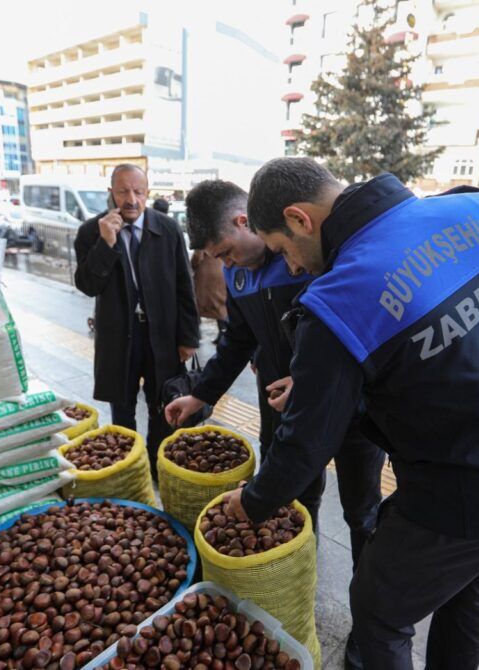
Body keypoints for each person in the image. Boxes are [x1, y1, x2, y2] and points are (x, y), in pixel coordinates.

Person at [221, 158, 479, 670]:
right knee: (472, 598)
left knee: (379, 613)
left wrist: (253, 501)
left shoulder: (337, 299)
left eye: (284, 250)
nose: (294, 268)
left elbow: (306, 443)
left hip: (460, 497)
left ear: (299, 218)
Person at [164, 180, 385, 567]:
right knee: (295, 495)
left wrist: (308, 381)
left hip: (350, 403)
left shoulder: (310, 253)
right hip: (278, 403)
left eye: (227, 252)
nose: (227, 264)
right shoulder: (237, 274)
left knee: (361, 508)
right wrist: (201, 394)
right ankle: (299, 568)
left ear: (243, 221)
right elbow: (238, 339)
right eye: (218, 258)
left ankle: (367, 591)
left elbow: (363, 327)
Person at [74, 164, 199, 477]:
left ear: (148, 193)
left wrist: (188, 337)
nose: (131, 199)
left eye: (138, 192)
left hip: (162, 335)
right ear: (111, 193)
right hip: (119, 337)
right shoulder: (91, 232)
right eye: (123, 191)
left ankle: (158, 467)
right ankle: (130, 469)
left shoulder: (167, 229)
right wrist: (106, 243)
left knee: (163, 405)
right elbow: (88, 285)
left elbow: (185, 284)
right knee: (122, 407)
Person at [190, 249, 228, 344]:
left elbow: (198, 256)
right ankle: (223, 333)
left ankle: (196, 335)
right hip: (220, 270)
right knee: (219, 303)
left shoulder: (202, 241)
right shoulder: (220, 240)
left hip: (206, 274)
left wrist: (191, 265)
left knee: (196, 305)